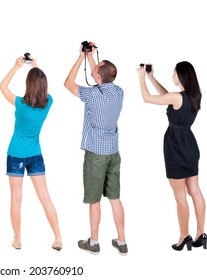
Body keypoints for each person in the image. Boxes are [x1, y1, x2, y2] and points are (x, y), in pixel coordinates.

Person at [64, 42, 127, 256]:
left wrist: (81, 57)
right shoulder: (118, 92)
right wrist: (91, 56)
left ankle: (94, 242)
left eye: (96, 67)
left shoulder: (92, 95)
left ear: (98, 77)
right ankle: (122, 241)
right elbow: (102, 76)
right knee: (115, 197)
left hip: (96, 155)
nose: (94, 66)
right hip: (113, 152)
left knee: (94, 200)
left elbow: (68, 83)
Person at [138, 61, 207, 251]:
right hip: (190, 146)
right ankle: (201, 233)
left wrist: (141, 78)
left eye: (174, 73)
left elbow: (147, 98)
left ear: (182, 76)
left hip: (176, 148)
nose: (172, 76)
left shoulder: (177, 97)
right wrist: (152, 78)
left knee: (180, 195)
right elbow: (168, 96)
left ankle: (184, 236)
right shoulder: (193, 95)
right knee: (195, 191)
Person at [0, 55, 62, 251]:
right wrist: (37, 67)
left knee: (16, 198)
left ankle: (18, 240)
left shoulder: (20, 104)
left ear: (28, 85)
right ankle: (58, 238)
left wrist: (16, 66)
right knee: (45, 197)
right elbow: (44, 91)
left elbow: (2, 86)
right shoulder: (49, 102)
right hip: (35, 154)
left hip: (16, 155)